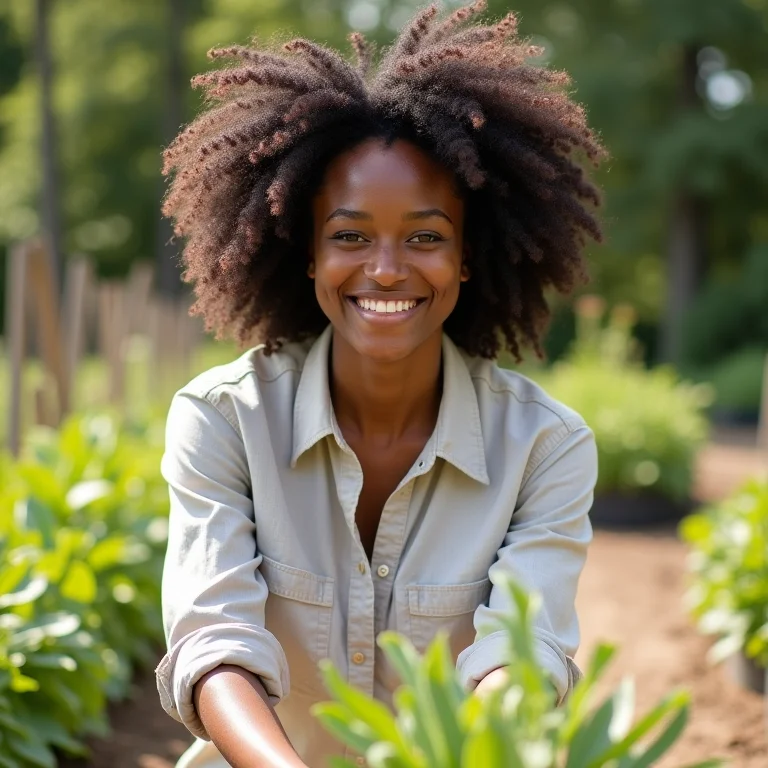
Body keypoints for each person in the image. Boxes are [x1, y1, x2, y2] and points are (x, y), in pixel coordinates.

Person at [155, 3, 605, 767]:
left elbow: (521, 658)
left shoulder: (545, 448)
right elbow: (214, 642)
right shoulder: (225, 419)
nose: (387, 269)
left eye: (425, 237)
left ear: (468, 257)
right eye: (351, 236)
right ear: (308, 254)